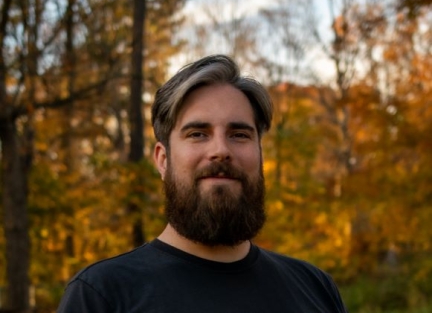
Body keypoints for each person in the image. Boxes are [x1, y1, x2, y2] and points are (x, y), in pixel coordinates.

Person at [57, 54, 348, 313]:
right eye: (197, 133)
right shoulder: (102, 295)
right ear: (162, 159)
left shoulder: (316, 288)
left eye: (239, 134)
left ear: (260, 155)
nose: (220, 150)